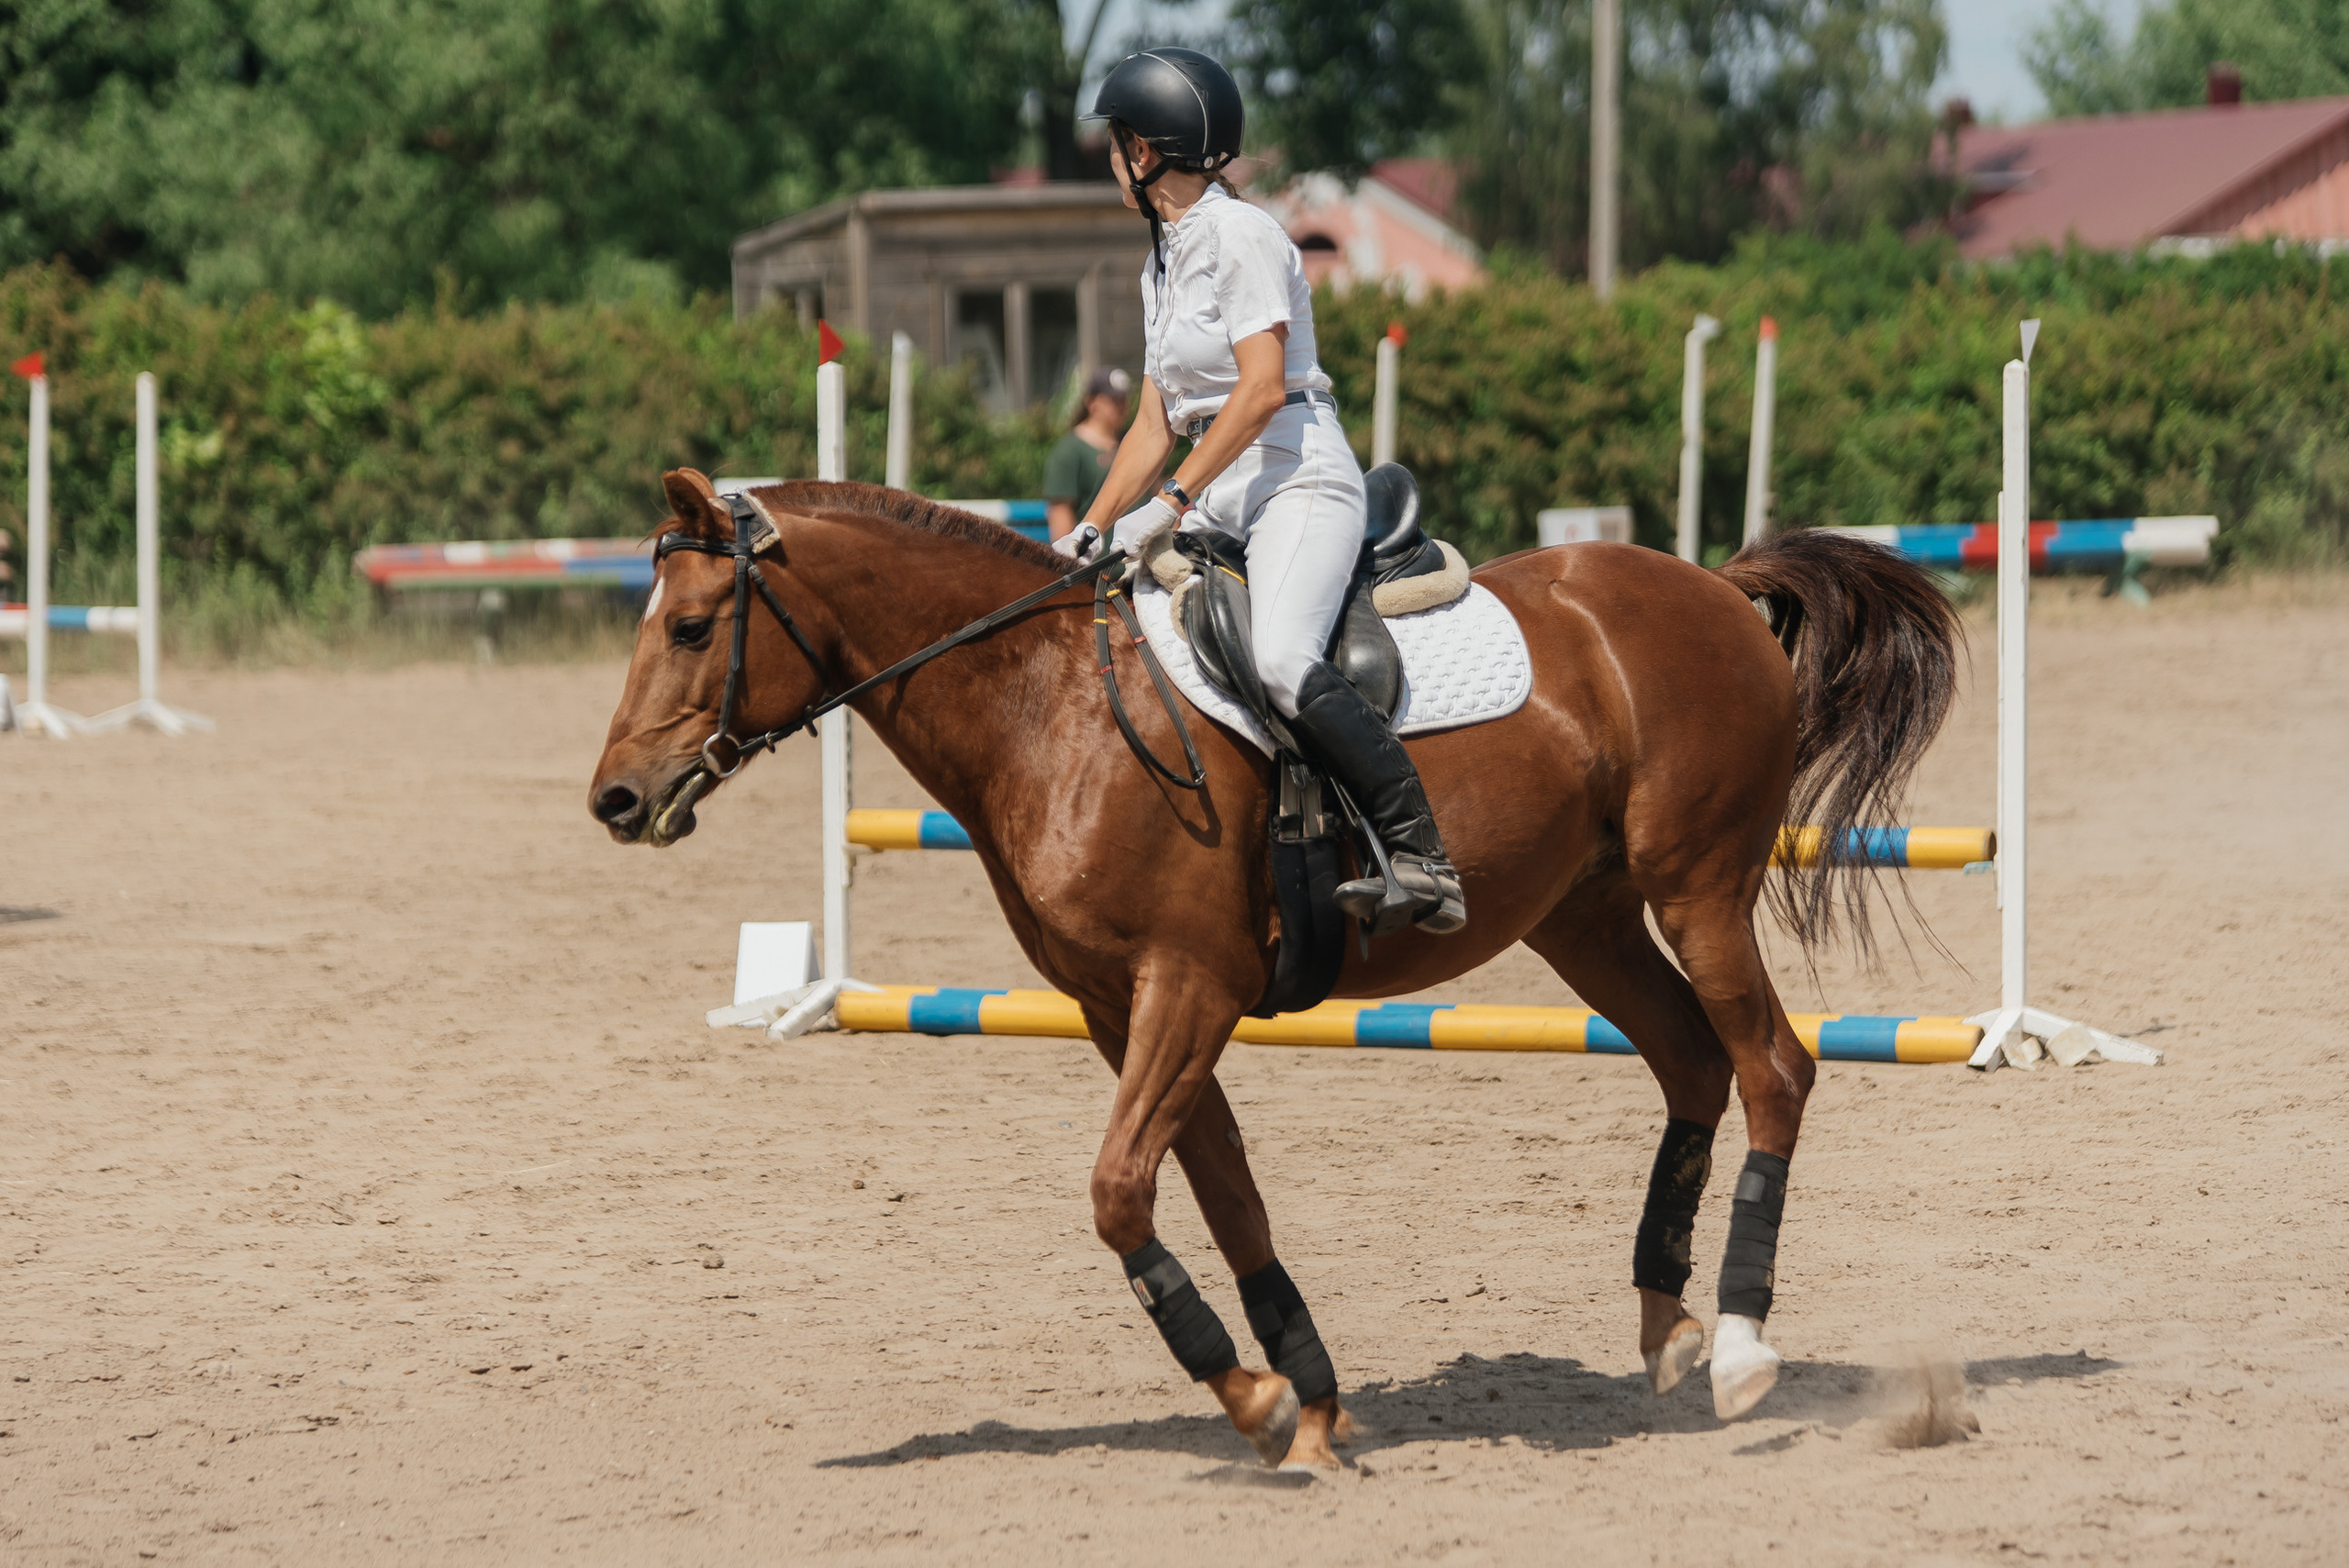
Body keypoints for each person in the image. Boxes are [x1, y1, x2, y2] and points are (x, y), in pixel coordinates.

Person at [1056, 46, 1464, 934]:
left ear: (1150, 147)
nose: (1111, 158)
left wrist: (1164, 508)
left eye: (1117, 140)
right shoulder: (1161, 260)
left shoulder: (1240, 235)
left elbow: (1260, 389)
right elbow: (1154, 424)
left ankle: (1420, 854)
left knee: (1280, 658)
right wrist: (1090, 527)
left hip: (1295, 473)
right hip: (1221, 481)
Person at [1044, 366, 1134, 542]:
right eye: (1113, 400)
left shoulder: (1135, 441)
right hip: (1096, 564)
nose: (1121, 405)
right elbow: (1061, 513)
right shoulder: (1069, 450)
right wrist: (1068, 562)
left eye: (1124, 399)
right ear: (1092, 403)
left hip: (1141, 563)